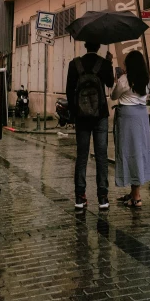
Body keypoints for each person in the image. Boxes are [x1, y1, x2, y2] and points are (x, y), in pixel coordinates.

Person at [66, 42, 114, 210]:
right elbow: (110, 84)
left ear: (85, 45)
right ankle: (103, 197)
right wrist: (109, 63)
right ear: (98, 45)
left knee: (82, 156)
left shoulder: (75, 64)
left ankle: (80, 197)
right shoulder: (103, 63)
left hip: (81, 117)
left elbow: (69, 91)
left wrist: (74, 114)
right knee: (101, 156)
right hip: (100, 115)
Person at [110, 50, 150, 209]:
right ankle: (134, 192)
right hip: (141, 116)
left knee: (128, 152)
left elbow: (113, 96)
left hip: (127, 116)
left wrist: (117, 80)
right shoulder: (147, 80)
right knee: (139, 151)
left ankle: (136, 196)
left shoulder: (124, 79)